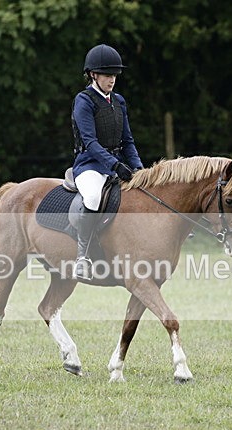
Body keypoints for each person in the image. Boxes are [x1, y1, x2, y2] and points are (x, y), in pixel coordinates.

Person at [71, 43, 143, 280]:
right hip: (89, 164)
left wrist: (140, 169)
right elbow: (90, 142)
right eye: (107, 75)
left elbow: (128, 141)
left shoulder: (119, 101)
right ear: (93, 74)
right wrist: (114, 165)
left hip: (117, 163)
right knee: (92, 197)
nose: (112, 79)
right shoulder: (84, 101)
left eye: (114, 75)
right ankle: (82, 256)